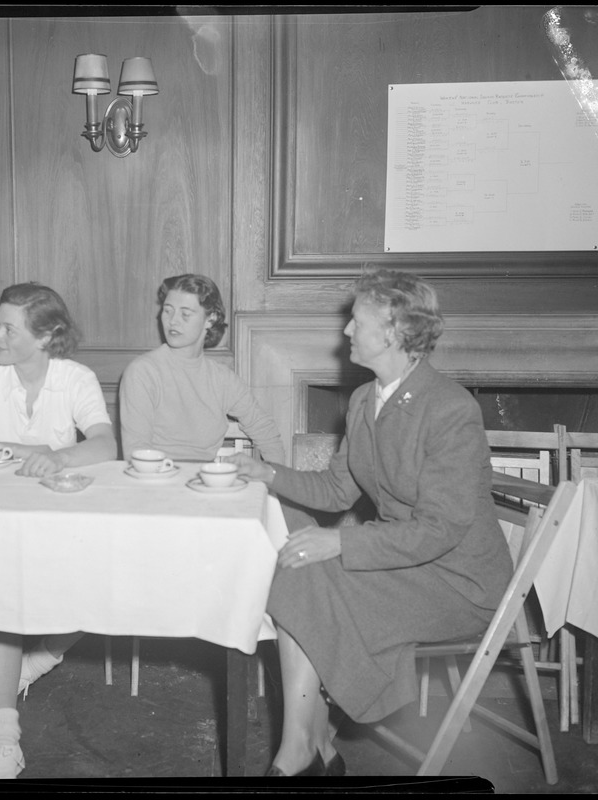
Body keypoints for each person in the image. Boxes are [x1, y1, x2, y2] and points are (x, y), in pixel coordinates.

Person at [229, 268, 514, 777]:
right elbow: (338, 490)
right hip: (403, 562)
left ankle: (306, 750)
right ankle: (308, 746)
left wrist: (340, 542)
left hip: (458, 582)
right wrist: (265, 472)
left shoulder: (450, 408)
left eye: (356, 321)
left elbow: (441, 528)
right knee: (296, 562)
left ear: (395, 331)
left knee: (308, 568)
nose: (345, 332)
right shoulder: (365, 401)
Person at [0, 282, 116, 779]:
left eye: (8, 328)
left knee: (107, 576)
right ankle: (5, 740)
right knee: (2, 594)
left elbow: (104, 446)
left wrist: (55, 457)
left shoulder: (76, 378)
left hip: (60, 519)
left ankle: (39, 660)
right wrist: (19, 454)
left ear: (46, 336)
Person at [119, 274, 285, 463]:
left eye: (185, 314)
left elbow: (265, 431)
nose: (173, 321)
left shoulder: (223, 379)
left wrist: (275, 482)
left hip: (206, 483)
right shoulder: (143, 372)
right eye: (167, 311)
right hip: (156, 484)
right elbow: (137, 453)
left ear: (210, 319)